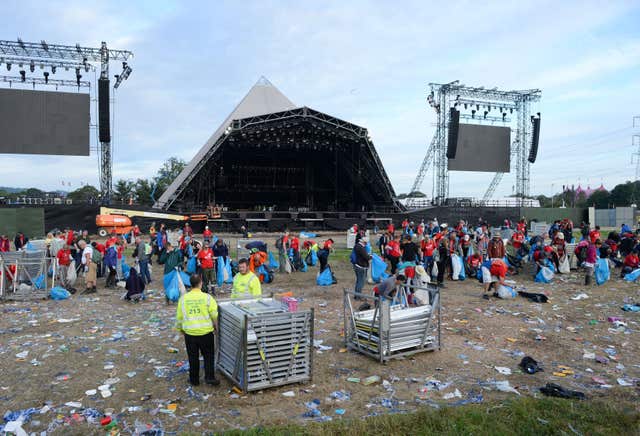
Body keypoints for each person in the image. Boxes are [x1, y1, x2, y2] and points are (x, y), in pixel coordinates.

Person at [175, 274, 220, 387]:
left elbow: (179, 317)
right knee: (209, 356)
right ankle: (210, 378)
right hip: (206, 333)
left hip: (190, 334)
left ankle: (194, 380)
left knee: (193, 357)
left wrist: (180, 329)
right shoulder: (207, 298)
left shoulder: (183, 299)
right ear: (201, 283)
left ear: (190, 284)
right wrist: (217, 328)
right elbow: (214, 315)